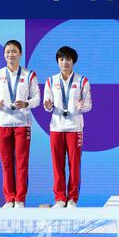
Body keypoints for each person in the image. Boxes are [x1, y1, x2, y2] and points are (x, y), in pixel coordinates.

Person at [0, 40, 40, 208]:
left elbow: (37, 98)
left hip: (22, 123)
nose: (11, 54)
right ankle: (9, 199)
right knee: (7, 163)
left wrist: (26, 104)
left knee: (22, 163)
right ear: (4, 54)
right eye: (8, 51)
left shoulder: (29, 75)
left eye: (14, 51)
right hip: (3, 123)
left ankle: (20, 199)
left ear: (20, 54)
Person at [43, 46, 92, 208]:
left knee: (74, 164)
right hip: (56, 127)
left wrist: (82, 106)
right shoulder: (50, 81)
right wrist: (48, 106)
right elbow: (47, 106)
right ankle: (59, 198)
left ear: (73, 61)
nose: (65, 62)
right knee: (57, 164)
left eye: (68, 59)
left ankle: (72, 198)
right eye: (62, 59)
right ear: (57, 61)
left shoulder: (82, 81)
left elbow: (88, 106)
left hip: (74, 128)